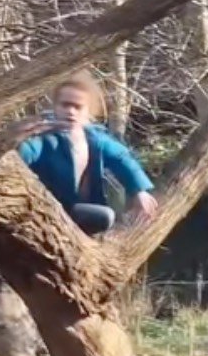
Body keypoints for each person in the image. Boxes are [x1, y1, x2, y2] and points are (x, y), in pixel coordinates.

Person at [17, 71, 156, 236]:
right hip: (50, 213)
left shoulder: (96, 139)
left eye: (77, 107)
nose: (71, 111)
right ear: (55, 106)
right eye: (65, 105)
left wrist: (139, 190)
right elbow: (25, 153)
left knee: (105, 217)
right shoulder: (43, 138)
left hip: (86, 213)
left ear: (88, 110)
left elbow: (122, 158)